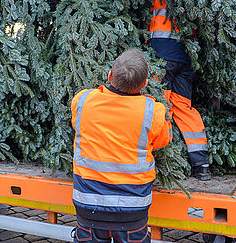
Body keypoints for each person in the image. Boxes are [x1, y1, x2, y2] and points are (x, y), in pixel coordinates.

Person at [71, 49, 172, 243]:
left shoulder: (83, 100)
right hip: (132, 209)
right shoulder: (153, 111)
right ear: (145, 84)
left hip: (88, 205)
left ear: (109, 76)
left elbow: (77, 127)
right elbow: (162, 141)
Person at [144, 0, 212, 181]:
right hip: (185, 60)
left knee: (161, 107)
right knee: (184, 109)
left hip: (163, 57)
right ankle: (201, 165)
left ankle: (168, 159)